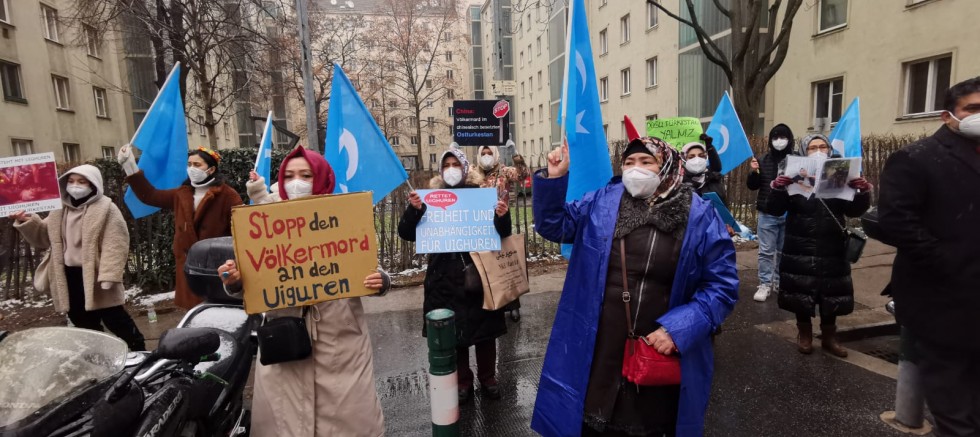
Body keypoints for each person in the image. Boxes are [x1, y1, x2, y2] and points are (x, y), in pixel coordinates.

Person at [530, 137, 739, 437]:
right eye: (629, 163)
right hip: (601, 346)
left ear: (666, 165)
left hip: (659, 350)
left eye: (645, 162)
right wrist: (555, 177)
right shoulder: (603, 202)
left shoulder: (701, 217)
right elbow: (555, 225)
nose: (635, 170)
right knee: (592, 422)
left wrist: (677, 330)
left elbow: (722, 287)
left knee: (650, 426)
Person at [218, 146, 391, 437]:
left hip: (341, 349)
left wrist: (380, 281)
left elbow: (369, 268)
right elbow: (251, 284)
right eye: (289, 175)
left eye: (306, 175)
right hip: (284, 350)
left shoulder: (342, 218)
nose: (296, 182)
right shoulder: (263, 223)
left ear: (321, 177)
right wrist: (234, 280)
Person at [876, 77, 980, 437]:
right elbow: (897, 222)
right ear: (948, 115)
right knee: (956, 416)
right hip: (942, 304)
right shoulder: (916, 159)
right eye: (974, 109)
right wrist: (952, 264)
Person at [398, 146, 512, 404]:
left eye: (456, 165)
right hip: (444, 279)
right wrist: (414, 211)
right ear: (441, 171)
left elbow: (502, 233)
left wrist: (502, 217)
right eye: (446, 165)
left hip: (479, 275)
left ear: (465, 169)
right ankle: (463, 381)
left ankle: (488, 378)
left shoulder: (482, 196)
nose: (451, 170)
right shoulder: (430, 199)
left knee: (485, 332)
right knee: (455, 335)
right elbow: (406, 233)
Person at [10, 164, 145, 351]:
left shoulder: (107, 208)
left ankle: (139, 349)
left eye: (82, 182)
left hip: (96, 274)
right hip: (68, 275)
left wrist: (109, 274)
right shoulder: (59, 210)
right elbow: (43, 237)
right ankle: (100, 355)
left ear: (93, 184)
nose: (75, 186)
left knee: (114, 317)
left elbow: (116, 243)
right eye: (71, 181)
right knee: (81, 320)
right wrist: (27, 220)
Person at [768, 134, 872, 357]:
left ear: (829, 149)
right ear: (804, 152)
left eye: (822, 146)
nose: (818, 150)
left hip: (832, 243)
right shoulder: (793, 171)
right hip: (799, 243)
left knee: (830, 291)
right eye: (813, 147)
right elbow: (775, 209)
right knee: (800, 290)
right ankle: (804, 334)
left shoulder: (840, 172)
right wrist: (778, 188)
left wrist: (862, 192)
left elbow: (854, 211)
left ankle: (829, 337)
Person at [118, 146, 243, 309]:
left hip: (216, 269)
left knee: (217, 314)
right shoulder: (181, 194)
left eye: (197, 165)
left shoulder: (228, 195)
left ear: (211, 169)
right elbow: (149, 195)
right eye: (189, 164)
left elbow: (240, 231)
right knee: (193, 318)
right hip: (188, 269)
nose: (192, 169)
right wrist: (129, 165)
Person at [471, 145, 524, 321]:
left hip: (502, 222)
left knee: (506, 264)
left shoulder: (504, 171)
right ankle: (492, 302)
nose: (486, 156)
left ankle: (513, 304)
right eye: (483, 153)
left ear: (495, 154)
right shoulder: (474, 173)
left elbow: (523, 175)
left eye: (489, 153)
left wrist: (515, 155)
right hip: (481, 225)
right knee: (487, 265)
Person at [746, 123, 795, 302]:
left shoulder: (796, 160)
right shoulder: (762, 159)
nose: (779, 141)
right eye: (775, 137)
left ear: (790, 139)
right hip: (767, 212)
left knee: (783, 251)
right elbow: (753, 186)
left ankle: (779, 281)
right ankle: (764, 284)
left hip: (789, 212)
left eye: (783, 137)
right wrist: (753, 172)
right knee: (766, 251)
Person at [681, 133, 726, 205]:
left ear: (705, 158)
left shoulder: (713, 179)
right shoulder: (680, 184)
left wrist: (710, 148)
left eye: (701, 156)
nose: (697, 159)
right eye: (691, 157)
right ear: (684, 159)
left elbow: (716, 167)